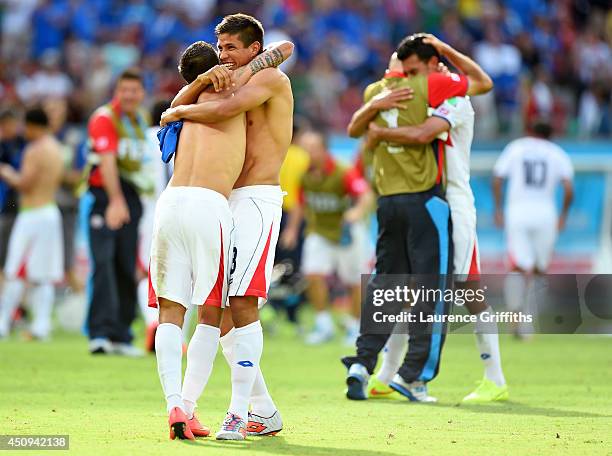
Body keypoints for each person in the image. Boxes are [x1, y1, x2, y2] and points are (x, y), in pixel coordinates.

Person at [161, 13, 294, 439]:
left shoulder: (270, 81)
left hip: (256, 199)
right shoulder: (231, 78)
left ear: (254, 49)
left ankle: (236, 413)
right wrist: (198, 87)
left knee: (241, 305)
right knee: (217, 312)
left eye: (231, 47)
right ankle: (263, 409)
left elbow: (229, 108)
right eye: (219, 49)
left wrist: (177, 110)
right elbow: (212, 91)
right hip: (221, 202)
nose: (224, 56)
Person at [341, 33, 493, 402]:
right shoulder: (429, 86)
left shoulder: (373, 94)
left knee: (396, 286)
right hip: (432, 201)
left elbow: (356, 130)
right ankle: (412, 376)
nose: (407, 74)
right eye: (404, 69)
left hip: (410, 201)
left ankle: (368, 364)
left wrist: (378, 131)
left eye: (412, 68)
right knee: (434, 290)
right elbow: (482, 83)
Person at [281, 130, 372, 346]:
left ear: (323, 149)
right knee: (312, 274)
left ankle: (354, 326)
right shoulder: (303, 174)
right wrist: (292, 230)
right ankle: (324, 325)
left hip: (347, 233)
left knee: (354, 282)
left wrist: (356, 213)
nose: (308, 153)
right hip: (319, 231)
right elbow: (300, 203)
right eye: (305, 148)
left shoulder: (342, 171)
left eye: (312, 148)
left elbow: (365, 195)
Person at [84, 69, 152, 356]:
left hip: (131, 196)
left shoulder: (139, 119)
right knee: (103, 262)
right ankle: (99, 333)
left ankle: (121, 335)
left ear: (141, 93)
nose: (129, 95)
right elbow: (107, 161)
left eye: (134, 90)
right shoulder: (104, 118)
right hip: (105, 195)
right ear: (117, 91)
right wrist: (115, 200)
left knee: (126, 264)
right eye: (124, 90)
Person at [493, 119, 574, 337]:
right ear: (551, 134)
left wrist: (498, 209)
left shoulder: (516, 147)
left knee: (517, 266)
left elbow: (498, 178)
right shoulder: (557, 153)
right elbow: (568, 188)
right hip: (545, 213)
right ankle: (528, 323)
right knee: (539, 269)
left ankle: (514, 316)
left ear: (529, 130)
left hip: (518, 212)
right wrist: (563, 215)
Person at [0, 107, 63, 340]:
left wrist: (6, 171)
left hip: (31, 213)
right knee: (43, 274)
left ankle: (3, 324)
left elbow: (24, 183)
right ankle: (41, 325)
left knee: (14, 270)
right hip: (50, 210)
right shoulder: (56, 148)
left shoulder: (34, 150)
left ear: (32, 126)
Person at [0, 110, 25, 275]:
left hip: (11, 203)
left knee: (8, 250)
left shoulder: (20, 144)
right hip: (4, 200)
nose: (15, 128)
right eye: (12, 125)